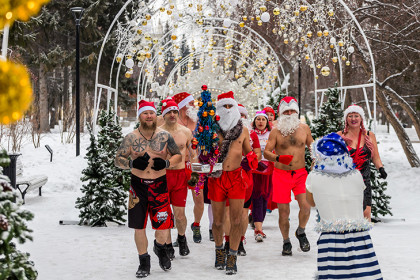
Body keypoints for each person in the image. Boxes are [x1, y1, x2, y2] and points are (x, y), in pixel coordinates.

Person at [115, 100, 182, 278]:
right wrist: (131, 163)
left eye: (152, 113)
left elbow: (178, 155)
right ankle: (144, 261)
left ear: (155, 115)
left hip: (159, 185)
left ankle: (160, 247)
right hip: (138, 186)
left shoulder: (165, 136)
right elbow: (117, 159)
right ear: (140, 116)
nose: (149, 116)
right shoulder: (130, 137)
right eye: (145, 113)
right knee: (139, 227)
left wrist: (166, 163)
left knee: (163, 226)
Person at [306, 132, 383, 280]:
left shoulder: (314, 177)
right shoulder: (356, 175)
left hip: (331, 240)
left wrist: (313, 170)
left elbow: (311, 202)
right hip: (360, 237)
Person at [208, 91, 257, 275]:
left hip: (236, 178)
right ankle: (219, 250)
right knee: (218, 221)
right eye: (224, 106)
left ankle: (232, 255)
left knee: (237, 220)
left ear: (236, 108)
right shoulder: (211, 129)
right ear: (218, 109)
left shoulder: (243, 129)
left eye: (230, 106)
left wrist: (252, 159)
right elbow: (202, 152)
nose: (228, 109)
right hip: (217, 178)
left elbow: (248, 152)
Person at [264, 96, 312, 256]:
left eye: (292, 110)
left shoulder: (304, 128)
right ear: (281, 113)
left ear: (297, 112)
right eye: (286, 111)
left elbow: (313, 147)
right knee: (284, 212)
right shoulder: (275, 131)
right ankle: (286, 241)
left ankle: (301, 231)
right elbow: (266, 152)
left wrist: (316, 159)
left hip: (300, 174)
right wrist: (278, 158)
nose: (290, 113)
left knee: (305, 206)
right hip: (281, 174)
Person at [223, 104, 262, 256]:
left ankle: (240, 240)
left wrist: (251, 159)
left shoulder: (250, 134)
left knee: (243, 213)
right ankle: (228, 241)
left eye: (243, 115)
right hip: (227, 175)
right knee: (227, 212)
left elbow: (257, 152)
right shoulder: (223, 132)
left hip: (245, 177)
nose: (240, 118)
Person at [159, 98, 196, 259]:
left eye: (175, 111)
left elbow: (193, 155)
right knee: (164, 214)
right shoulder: (156, 133)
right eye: (169, 112)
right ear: (164, 114)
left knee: (180, 215)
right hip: (162, 176)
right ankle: (167, 245)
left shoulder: (185, 132)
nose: (172, 114)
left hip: (180, 176)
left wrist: (194, 174)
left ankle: (181, 237)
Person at [338, 104, 387, 221]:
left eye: (356, 116)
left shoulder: (369, 136)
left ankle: (364, 238)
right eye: (350, 116)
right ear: (346, 119)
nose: (353, 119)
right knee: (348, 216)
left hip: (364, 180)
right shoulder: (340, 136)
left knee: (366, 214)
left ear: (361, 118)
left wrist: (381, 168)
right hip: (346, 180)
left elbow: (375, 157)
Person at [173, 92, 205, 243]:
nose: (194, 106)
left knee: (199, 199)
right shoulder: (172, 122)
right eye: (190, 103)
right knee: (179, 203)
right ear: (182, 105)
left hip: (195, 165)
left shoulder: (198, 121)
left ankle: (197, 225)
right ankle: (181, 235)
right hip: (178, 166)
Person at [250, 110, 273, 242]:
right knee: (257, 197)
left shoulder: (271, 134)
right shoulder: (250, 134)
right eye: (258, 119)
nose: (260, 122)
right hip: (254, 170)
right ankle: (258, 228)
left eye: (263, 119)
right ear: (254, 121)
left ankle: (259, 224)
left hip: (268, 170)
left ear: (267, 122)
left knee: (265, 197)